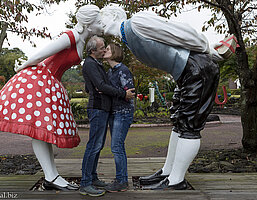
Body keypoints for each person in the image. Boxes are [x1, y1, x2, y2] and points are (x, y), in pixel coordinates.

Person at [99, 5, 231, 190]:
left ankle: (176, 180)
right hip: (185, 73)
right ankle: (168, 172)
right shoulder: (126, 36)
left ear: (112, 15)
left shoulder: (136, 22)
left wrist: (207, 47)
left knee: (189, 125)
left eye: (101, 17)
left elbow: (180, 32)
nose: (98, 22)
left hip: (197, 69)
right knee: (179, 120)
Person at [0, 5, 104, 192]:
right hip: (39, 80)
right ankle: (51, 176)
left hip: (50, 82)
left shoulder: (80, 40)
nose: (101, 25)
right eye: (98, 21)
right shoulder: (71, 36)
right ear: (89, 22)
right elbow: (41, 54)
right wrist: (21, 66)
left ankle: (52, 175)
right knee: (38, 129)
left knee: (43, 130)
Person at [80, 36, 135, 197]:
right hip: (98, 109)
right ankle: (85, 183)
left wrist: (96, 88)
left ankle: (93, 177)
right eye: (102, 47)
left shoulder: (99, 65)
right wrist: (122, 94)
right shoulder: (90, 64)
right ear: (93, 51)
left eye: (106, 47)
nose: (104, 49)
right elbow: (100, 86)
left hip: (104, 109)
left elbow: (93, 86)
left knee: (98, 146)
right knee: (94, 146)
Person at [103, 43, 135, 192]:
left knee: (116, 147)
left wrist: (110, 91)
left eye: (108, 49)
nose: (105, 51)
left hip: (122, 112)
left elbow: (129, 93)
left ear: (115, 52)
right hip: (114, 112)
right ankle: (121, 179)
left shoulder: (123, 70)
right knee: (117, 147)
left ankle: (122, 181)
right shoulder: (110, 72)